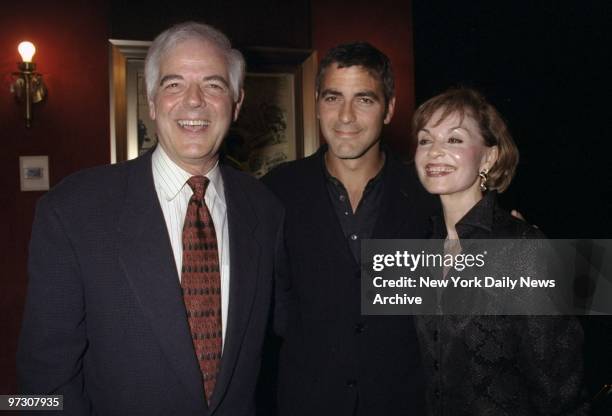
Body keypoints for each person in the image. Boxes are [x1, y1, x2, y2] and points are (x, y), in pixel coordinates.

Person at [18, 22, 284, 416]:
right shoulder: (73, 211)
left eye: (213, 85)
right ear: (152, 101)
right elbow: (40, 382)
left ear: (237, 102)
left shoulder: (265, 209)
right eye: (174, 84)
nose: (194, 101)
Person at [263, 42, 438, 415]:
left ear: (389, 108)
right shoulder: (276, 191)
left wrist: (508, 241)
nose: (345, 116)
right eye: (332, 98)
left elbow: (486, 293)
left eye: (364, 99)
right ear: (316, 102)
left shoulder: (428, 196)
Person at [412, 86, 588, 415]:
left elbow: (561, 391)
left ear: (489, 156)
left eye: (454, 139)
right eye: (425, 140)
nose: (434, 151)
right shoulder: (422, 247)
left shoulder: (523, 248)